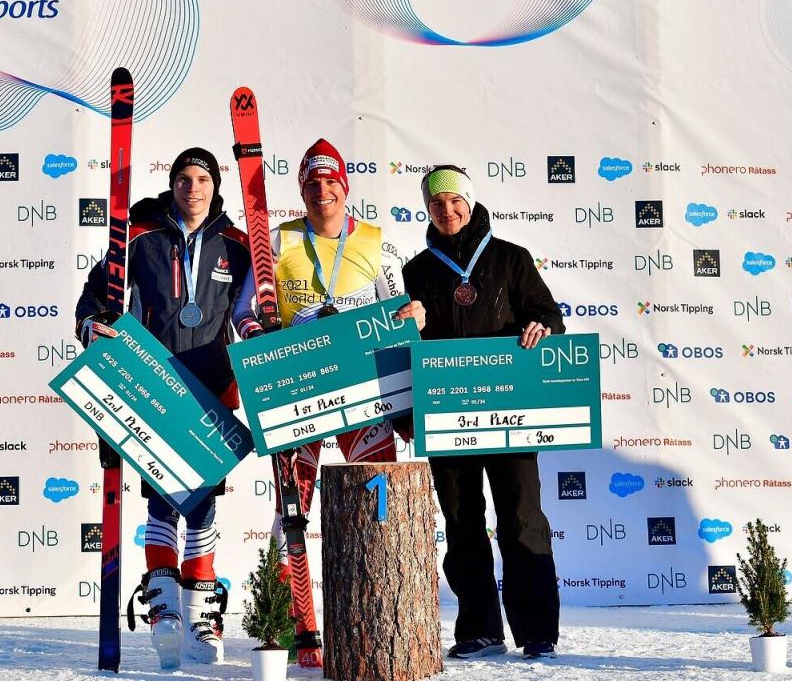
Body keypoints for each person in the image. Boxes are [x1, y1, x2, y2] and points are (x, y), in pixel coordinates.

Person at [231, 137, 425, 638]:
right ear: (302, 189)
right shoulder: (277, 242)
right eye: (313, 183)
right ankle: (287, 626)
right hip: (301, 391)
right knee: (291, 506)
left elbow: (402, 311)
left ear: (345, 186)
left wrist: (415, 316)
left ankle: (385, 617)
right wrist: (259, 337)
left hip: (365, 397)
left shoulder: (379, 243)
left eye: (330, 181)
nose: (323, 191)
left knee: (378, 496)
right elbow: (243, 311)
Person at [75, 147, 251, 666]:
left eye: (201, 179)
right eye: (183, 179)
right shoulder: (138, 236)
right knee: (160, 500)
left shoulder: (239, 246)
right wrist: (92, 326)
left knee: (201, 502)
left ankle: (201, 616)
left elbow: (249, 315)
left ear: (215, 186)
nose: (192, 187)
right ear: (171, 185)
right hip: (153, 387)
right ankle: (165, 611)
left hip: (212, 389)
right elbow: (95, 297)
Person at [399, 164, 564, 660]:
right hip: (449, 419)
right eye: (435, 204)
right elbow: (406, 348)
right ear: (426, 209)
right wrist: (410, 324)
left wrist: (541, 327)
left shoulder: (512, 259)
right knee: (461, 521)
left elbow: (550, 315)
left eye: (454, 202)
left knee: (521, 518)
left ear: (469, 204)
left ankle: (536, 631)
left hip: (511, 414)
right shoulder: (416, 270)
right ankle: (479, 629)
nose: (446, 212)